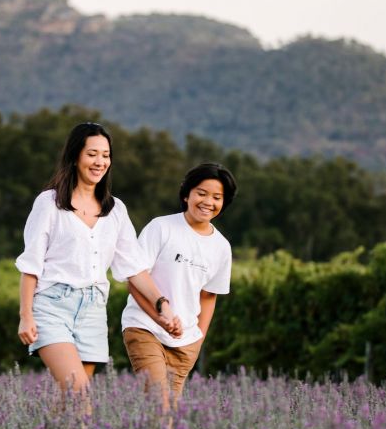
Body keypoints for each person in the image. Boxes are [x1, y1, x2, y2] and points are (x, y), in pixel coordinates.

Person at [16, 122, 180, 393]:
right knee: (78, 392)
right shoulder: (49, 203)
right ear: (75, 156)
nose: (100, 161)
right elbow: (31, 264)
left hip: (93, 309)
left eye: (105, 155)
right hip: (52, 306)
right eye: (92, 154)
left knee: (71, 400)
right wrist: (26, 315)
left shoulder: (115, 210)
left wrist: (162, 304)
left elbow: (135, 269)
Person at [121, 162, 237, 406]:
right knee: (158, 403)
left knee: (169, 413)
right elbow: (135, 279)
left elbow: (208, 297)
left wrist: (198, 341)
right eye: (201, 193)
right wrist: (159, 317)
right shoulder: (161, 227)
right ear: (187, 195)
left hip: (185, 342)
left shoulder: (221, 247)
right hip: (144, 328)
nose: (208, 202)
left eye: (217, 197)